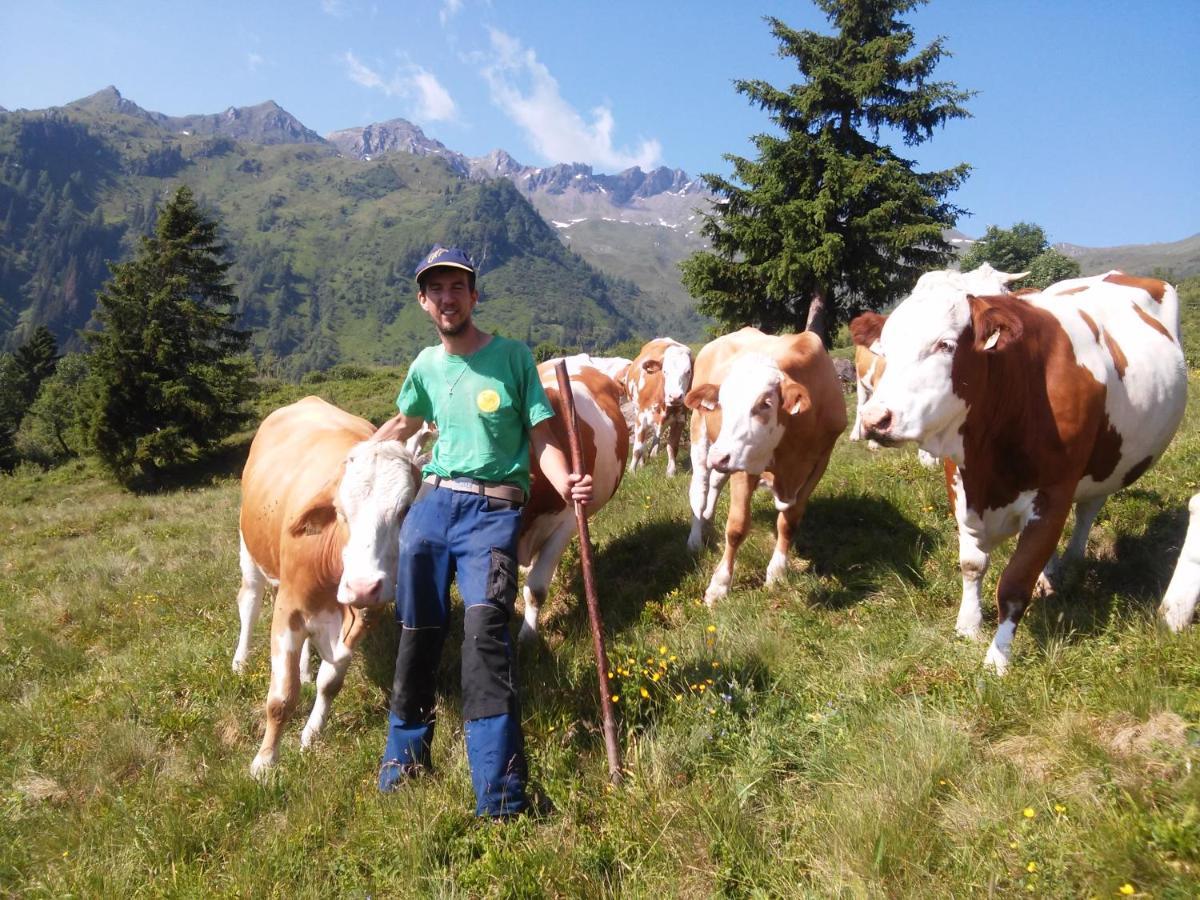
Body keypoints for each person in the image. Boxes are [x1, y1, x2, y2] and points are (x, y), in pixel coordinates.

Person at [370, 245, 592, 818]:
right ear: (424, 301)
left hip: (492, 514)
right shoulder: (424, 366)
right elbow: (406, 422)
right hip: (432, 509)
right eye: (436, 289)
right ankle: (403, 766)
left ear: (474, 295)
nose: (448, 297)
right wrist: (358, 457)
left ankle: (499, 797)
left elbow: (542, 438)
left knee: (486, 639)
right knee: (417, 632)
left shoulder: (514, 359)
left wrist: (569, 485)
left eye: (457, 286)